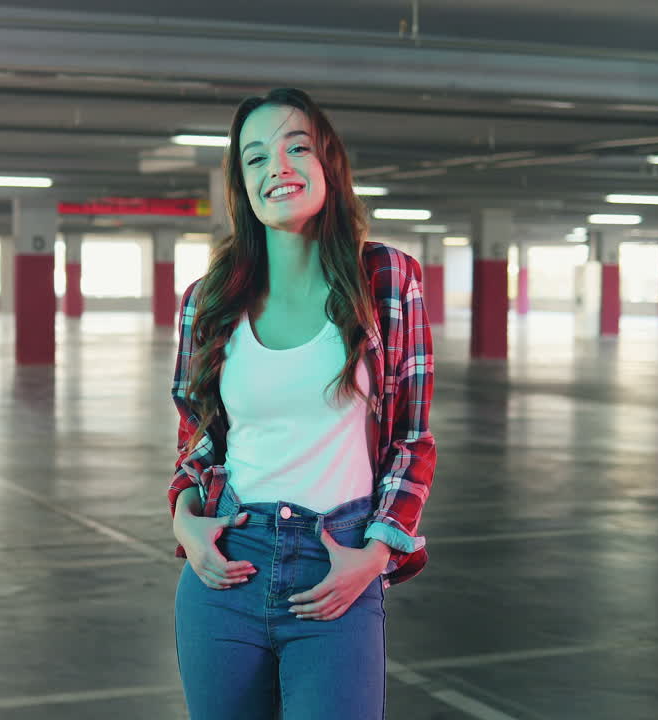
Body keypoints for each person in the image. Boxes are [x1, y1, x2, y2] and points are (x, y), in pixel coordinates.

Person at [167, 87, 438, 720]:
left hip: (336, 568)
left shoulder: (387, 280)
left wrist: (373, 555)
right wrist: (185, 520)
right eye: (255, 158)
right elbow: (196, 438)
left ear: (328, 165)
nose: (277, 169)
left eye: (297, 148)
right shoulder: (208, 301)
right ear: (241, 182)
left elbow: (411, 440)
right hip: (229, 569)